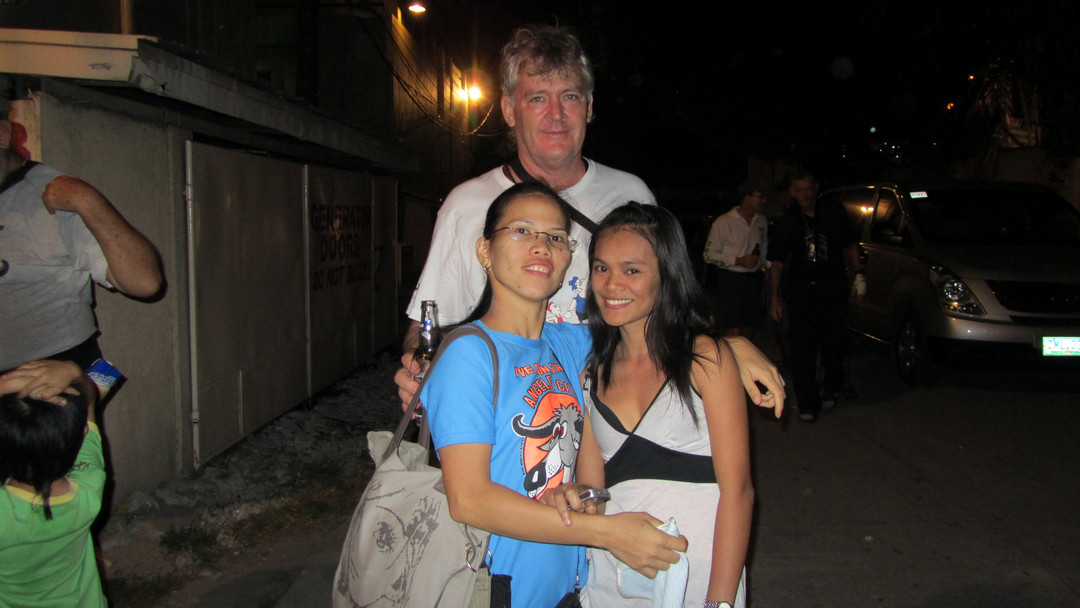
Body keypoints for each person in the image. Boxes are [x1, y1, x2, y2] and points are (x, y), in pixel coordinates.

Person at [396, 25, 784, 413]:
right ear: (509, 110)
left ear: (590, 106)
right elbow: (429, 324)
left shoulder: (631, 195)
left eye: (570, 96)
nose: (556, 114)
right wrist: (419, 367)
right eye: (537, 98)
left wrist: (723, 346)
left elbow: (668, 309)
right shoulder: (467, 205)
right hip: (510, 423)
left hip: (619, 417)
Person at [420, 183, 688, 607]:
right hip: (498, 586)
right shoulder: (469, 353)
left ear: (567, 259)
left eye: (556, 237)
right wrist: (608, 533)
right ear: (485, 251)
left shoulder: (568, 343)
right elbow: (469, 499)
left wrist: (730, 348)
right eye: (521, 231)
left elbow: (651, 331)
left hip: (565, 585)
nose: (541, 246)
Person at [544, 203, 752, 608]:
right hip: (616, 578)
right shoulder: (592, 373)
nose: (611, 284)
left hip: (699, 576)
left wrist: (720, 601)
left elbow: (739, 492)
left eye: (632, 270)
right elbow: (594, 493)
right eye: (601, 268)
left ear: (667, 275)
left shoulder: (705, 359)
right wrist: (571, 495)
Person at [0, 95, 163, 371]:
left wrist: (87, 200)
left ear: (3, 134)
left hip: (62, 377)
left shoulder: (52, 194)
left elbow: (145, 282)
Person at [0, 361, 107, 607]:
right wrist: (73, 372)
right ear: (83, 433)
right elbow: (90, 401)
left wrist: (3, 385)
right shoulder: (89, 489)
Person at [766, 171, 861, 423]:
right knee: (802, 350)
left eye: (808, 189)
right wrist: (774, 298)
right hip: (801, 294)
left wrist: (859, 274)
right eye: (799, 190)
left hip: (832, 290)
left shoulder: (833, 212)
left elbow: (850, 243)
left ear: (815, 188)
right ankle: (807, 402)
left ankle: (831, 387)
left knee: (834, 346)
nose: (805, 194)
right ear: (792, 193)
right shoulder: (788, 221)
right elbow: (776, 263)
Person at [703, 181, 769, 337]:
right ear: (747, 197)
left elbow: (764, 251)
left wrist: (766, 268)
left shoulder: (761, 221)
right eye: (760, 197)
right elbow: (708, 255)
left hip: (753, 280)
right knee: (734, 328)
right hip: (731, 280)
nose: (764, 201)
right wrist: (738, 260)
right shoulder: (724, 222)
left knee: (750, 326)